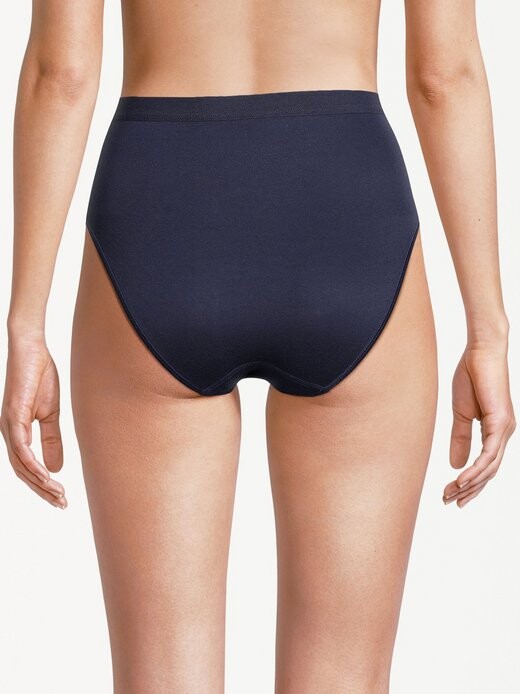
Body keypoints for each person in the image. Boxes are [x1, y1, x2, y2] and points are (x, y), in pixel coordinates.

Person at [0, 1, 515, 692]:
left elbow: (60, 73)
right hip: (347, 217)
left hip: (161, 217)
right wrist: (488, 330)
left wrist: (25, 325)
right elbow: (444, 75)